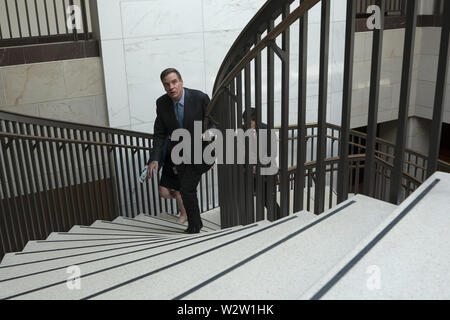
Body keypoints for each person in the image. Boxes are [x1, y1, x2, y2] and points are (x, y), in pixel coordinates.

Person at [147, 68, 213, 234]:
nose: (171, 87)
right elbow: (159, 134)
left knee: (186, 189)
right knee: (186, 189)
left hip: (202, 151)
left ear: (181, 82)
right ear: (164, 87)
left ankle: (194, 227)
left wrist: (210, 133)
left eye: (174, 82)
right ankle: (196, 224)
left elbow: (215, 121)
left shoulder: (199, 98)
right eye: (167, 84)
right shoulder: (161, 103)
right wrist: (154, 159)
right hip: (181, 155)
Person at [242, 108, 281, 219]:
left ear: (256, 120)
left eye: (249, 122)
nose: (247, 125)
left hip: (265, 171)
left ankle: (279, 218)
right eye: (245, 122)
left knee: (267, 200)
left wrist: (258, 163)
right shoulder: (242, 130)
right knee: (246, 197)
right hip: (249, 171)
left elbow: (272, 153)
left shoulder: (267, 130)